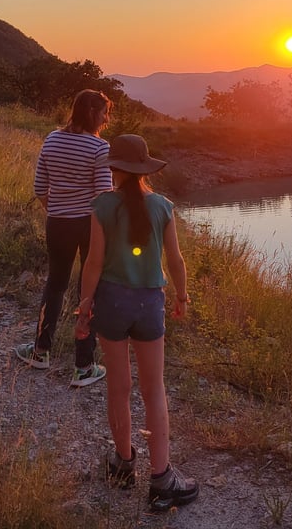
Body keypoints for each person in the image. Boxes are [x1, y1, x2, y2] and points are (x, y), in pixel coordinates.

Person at [74, 134, 200, 512]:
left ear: (114, 169)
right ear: (144, 168)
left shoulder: (102, 206)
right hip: (149, 302)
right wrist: (181, 296)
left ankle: (123, 463)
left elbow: (93, 263)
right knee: (153, 389)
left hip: (111, 302)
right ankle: (161, 479)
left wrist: (84, 308)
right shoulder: (163, 206)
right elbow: (175, 261)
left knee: (118, 387)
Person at [14, 89, 113, 388]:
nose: (107, 119)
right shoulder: (100, 148)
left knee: (55, 285)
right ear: (93, 113)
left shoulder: (52, 139)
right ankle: (83, 366)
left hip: (57, 222)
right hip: (89, 225)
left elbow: (40, 187)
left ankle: (40, 351)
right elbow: (103, 197)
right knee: (89, 289)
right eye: (105, 112)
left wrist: (58, 210)